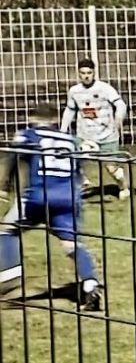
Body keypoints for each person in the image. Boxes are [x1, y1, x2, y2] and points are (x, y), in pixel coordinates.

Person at [1, 116, 103, 311]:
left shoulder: (30, 134)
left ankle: (11, 275)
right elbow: (79, 167)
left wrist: (5, 185)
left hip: (38, 196)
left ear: (33, 119)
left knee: (7, 230)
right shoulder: (70, 139)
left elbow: (14, 157)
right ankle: (90, 286)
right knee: (72, 244)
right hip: (67, 198)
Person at [62, 58, 130, 201]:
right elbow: (70, 110)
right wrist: (63, 129)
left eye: (89, 73)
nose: (86, 76)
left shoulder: (105, 88)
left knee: (111, 168)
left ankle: (124, 187)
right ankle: (83, 182)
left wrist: (119, 117)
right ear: (78, 74)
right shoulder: (74, 91)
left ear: (94, 73)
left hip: (106, 135)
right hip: (84, 135)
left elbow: (120, 104)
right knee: (72, 160)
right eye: (83, 73)